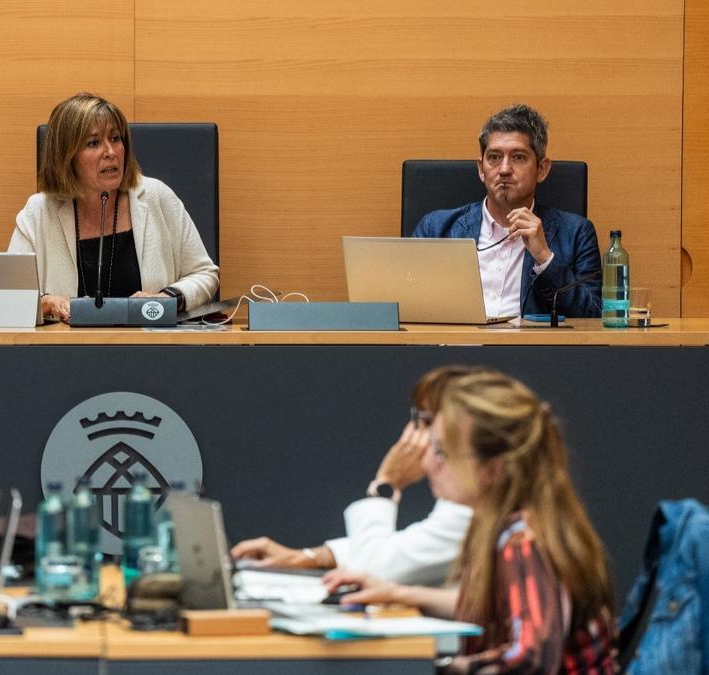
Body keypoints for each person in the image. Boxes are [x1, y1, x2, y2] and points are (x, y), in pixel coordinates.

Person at [324, 371, 617, 673]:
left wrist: (443, 668)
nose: (427, 464)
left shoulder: (524, 541)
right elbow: (502, 613)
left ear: (493, 469)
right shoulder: (512, 523)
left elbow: (531, 657)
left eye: (441, 452)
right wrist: (398, 594)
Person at [231, 366, 477, 587]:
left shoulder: (470, 501)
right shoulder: (461, 499)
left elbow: (375, 567)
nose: (415, 434)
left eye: (425, 423)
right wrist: (306, 558)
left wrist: (386, 484)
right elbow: (409, 549)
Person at [9, 92, 219, 321]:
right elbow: (9, 295)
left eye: (116, 138)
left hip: (150, 348)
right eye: (93, 143)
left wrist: (167, 297)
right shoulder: (38, 212)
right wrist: (47, 303)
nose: (110, 152)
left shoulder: (156, 197)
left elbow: (205, 275)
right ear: (65, 156)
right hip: (65, 352)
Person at [411, 104, 602, 318]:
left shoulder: (576, 233)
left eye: (518, 157)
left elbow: (593, 317)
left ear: (542, 169)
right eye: (494, 157)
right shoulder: (436, 229)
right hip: (456, 349)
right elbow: (408, 305)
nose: (503, 170)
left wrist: (545, 258)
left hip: (530, 350)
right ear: (481, 169)